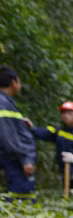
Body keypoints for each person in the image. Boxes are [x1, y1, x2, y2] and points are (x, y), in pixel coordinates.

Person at [32, 100, 73, 196]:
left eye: (69, 113)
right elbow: (42, 133)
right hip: (66, 174)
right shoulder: (58, 131)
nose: (65, 115)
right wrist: (31, 128)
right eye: (63, 113)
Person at [0, 67, 37, 201]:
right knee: (22, 202)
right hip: (14, 162)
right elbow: (8, 137)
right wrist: (25, 159)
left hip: (13, 160)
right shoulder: (3, 103)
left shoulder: (7, 103)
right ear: (14, 82)